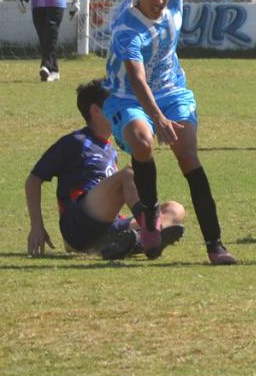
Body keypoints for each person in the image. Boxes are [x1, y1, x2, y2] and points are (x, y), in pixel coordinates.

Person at [98, 0, 237, 265]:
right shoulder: (126, 30)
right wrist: (158, 118)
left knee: (188, 156)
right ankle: (149, 222)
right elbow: (136, 79)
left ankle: (215, 245)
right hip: (127, 97)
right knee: (143, 141)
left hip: (172, 91)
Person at [26, 79, 186, 260]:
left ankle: (133, 242)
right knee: (129, 173)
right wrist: (37, 225)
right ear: (96, 111)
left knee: (175, 209)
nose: (121, 109)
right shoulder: (75, 142)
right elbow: (33, 180)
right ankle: (150, 233)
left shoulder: (109, 148)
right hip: (79, 224)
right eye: (114, 104)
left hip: (109, 228)